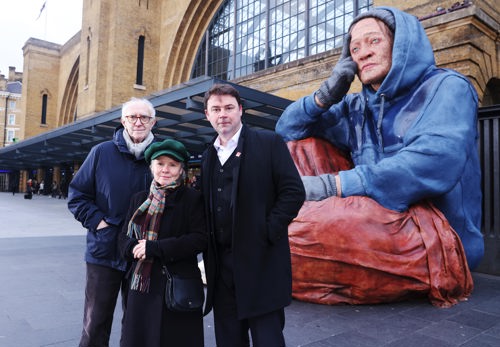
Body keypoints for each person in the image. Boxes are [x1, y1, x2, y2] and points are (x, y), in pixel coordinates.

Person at [275, 6, 484, 269]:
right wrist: (325, 95)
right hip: (372, 218)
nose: (365, 53)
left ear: (401, 45)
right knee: (299, 149)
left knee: (308, 232)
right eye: (355, 49)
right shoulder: (355, 106)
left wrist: (332, 186)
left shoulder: (448, 87)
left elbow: (433, 161)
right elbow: (288, 131)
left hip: (438, 235)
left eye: (374, 40)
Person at [201, 83, 305, 347]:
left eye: (228, 108)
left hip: (261, 264)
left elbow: (293, 192)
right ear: (207, 115)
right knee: (228, 339)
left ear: (240, 111)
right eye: (216, 109)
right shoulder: (208, 156)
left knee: (267, 338)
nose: (222, 114)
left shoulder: (268, 143)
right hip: (222, 270)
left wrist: (267, 231)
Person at [67, 97, 157, 347]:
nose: (138, 122)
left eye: (144, 117)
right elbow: (77, 195)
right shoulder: (101, 152)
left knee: (137, 324)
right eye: (132, 117)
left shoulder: (160, 156)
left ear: (153, 122)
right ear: (122, 121)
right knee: (95, 323)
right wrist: (98, 222)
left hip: (142, 254)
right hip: (103, 252)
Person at [118, 139, 207, 347]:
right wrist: (132, 248)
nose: (165, 169)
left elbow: (199, 239)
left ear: (181, 170)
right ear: (151, 167)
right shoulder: (139, 199)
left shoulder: (192, 199)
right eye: (160, 163)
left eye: (172, 165)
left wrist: (155, 248)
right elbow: (122, 238)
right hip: (141, 287)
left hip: (177, 286)